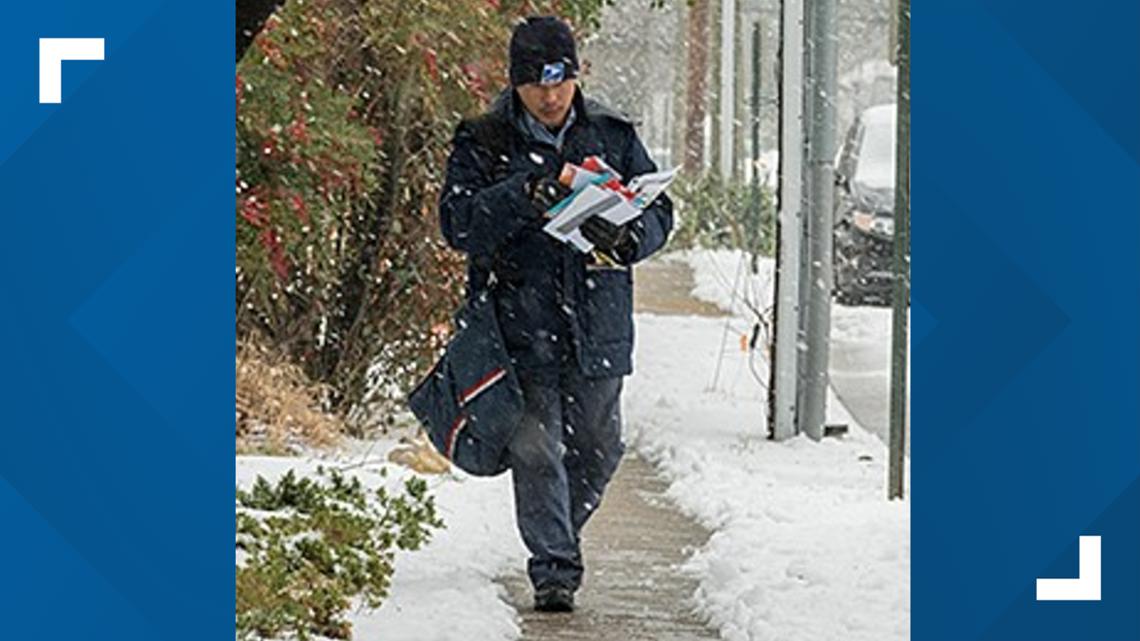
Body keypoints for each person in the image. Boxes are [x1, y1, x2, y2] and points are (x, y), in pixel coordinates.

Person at [438, 15, 674, 613]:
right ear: (514, 83)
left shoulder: (611, 135)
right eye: (536, 85)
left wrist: (630, 236)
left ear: (576, 74)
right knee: (536, 448)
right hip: (518, 319)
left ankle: (558, 534)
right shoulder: (484, 140)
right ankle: (554, 570)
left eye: (560, 81)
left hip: (598, 317)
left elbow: (659, 210)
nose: (550, 97)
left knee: (599, 445)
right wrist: (522, 193)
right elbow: (458, 224)